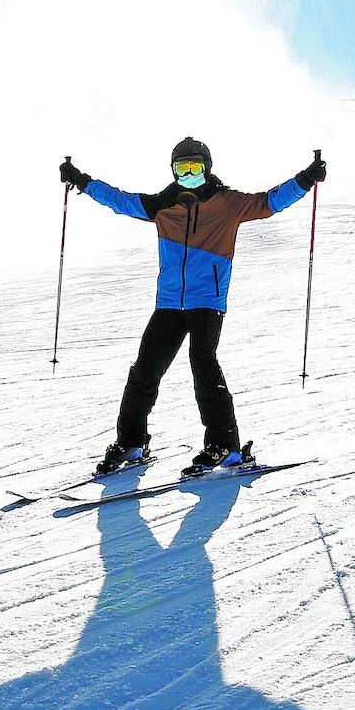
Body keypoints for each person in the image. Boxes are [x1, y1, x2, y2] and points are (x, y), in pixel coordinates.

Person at [60, 137, 325, 477]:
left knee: (203, 365)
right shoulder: (162, 206)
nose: (187, 175)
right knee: (144, 370)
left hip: (206, 301)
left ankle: (225, 446)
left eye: (194, 167)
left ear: (207, 167)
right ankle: (132, 441)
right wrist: (80, 180)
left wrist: (305, 179)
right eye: (180, 168)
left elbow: (270, 201)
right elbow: (118, 200)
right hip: (169, 302)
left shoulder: (228, 204)